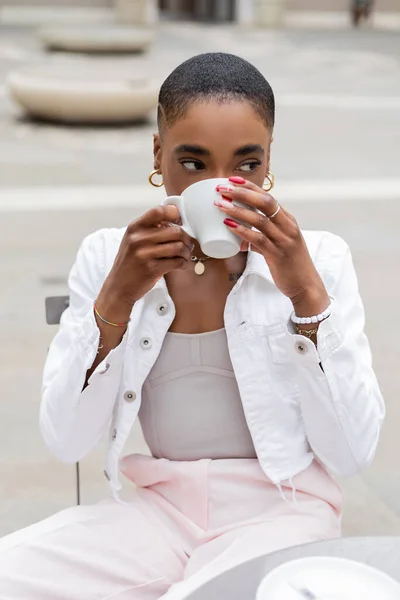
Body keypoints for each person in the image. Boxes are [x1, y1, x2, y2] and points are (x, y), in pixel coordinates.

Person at [0, 52, 385, 599]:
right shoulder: (109, 255)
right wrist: (116, 298)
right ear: (158, 153)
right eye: (194, 163)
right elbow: (66, 441)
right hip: (159, 512)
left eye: (246, 166)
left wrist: (306, 298)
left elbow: (352, 454)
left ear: (269, 159)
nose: (221, 186)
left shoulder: (319, 258)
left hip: (283, 511)